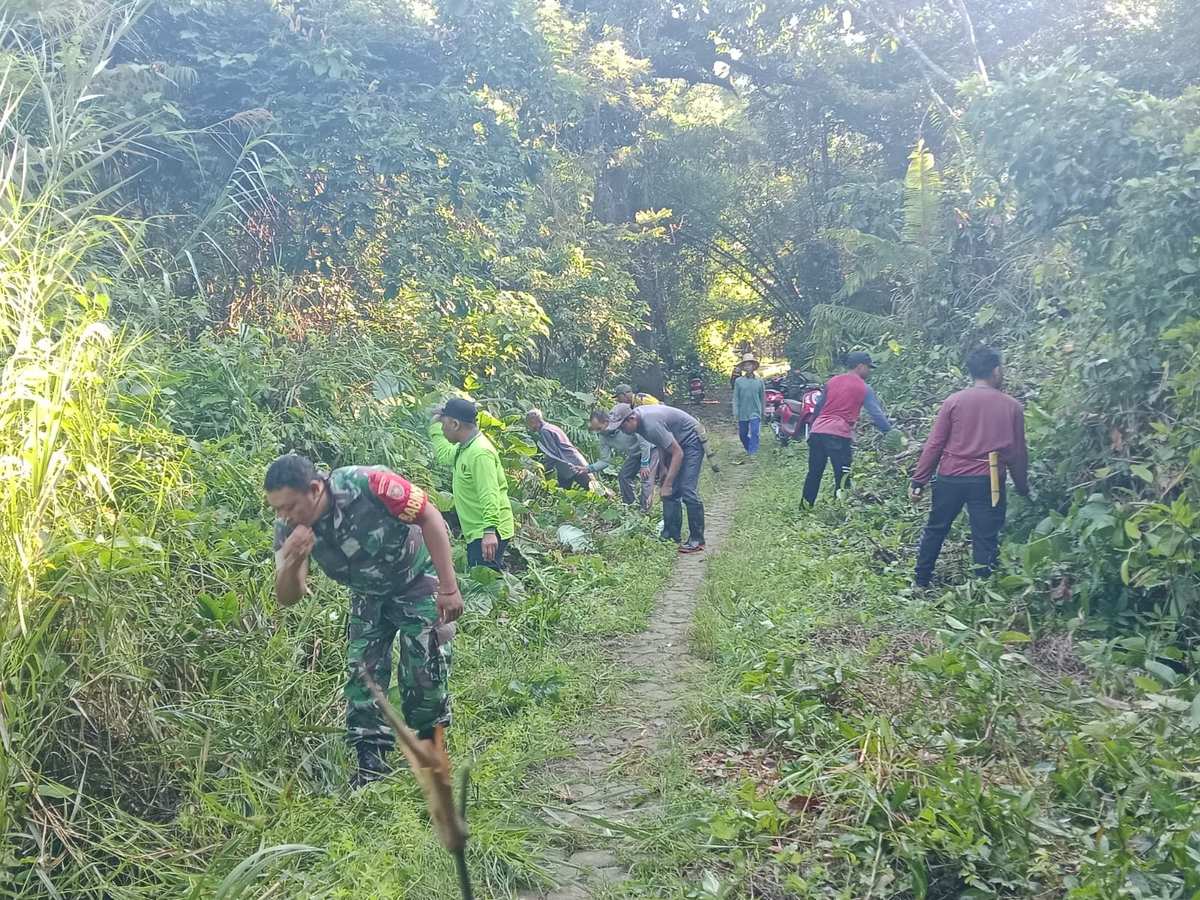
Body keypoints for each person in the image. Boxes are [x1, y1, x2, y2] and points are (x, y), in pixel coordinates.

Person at [265, 454, 463, 788]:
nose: (284, 515)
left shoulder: (370, 484)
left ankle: (431, 746)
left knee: (423, 662)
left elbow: (429, 515)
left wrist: (448, 586)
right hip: (367, 593)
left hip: (416, 578)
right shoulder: (289, 529)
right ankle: (370, 761)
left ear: (315, 489)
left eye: (290, 506)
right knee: (363, 671)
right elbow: (289, 597)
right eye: (277, 509)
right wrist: (291, 561)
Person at [910, 347, 1030, 588]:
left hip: (949, 477)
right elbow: (1018, 454)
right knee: (985, 537)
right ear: (996, 371)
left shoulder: (953, 401)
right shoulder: (1012, 406)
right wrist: (1022, 486)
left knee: (936, 528)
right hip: (989, 480)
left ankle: (920, 582)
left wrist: (919, 480)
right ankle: (982, 590)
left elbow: (935, 444)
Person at [428, 397, 515, 571]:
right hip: (478, 530)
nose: (442, 428)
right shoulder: (464, 447)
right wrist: (434, 427)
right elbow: (445, 454)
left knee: (485, 588)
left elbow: (489, 493)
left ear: (454, 424)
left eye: (443, 424)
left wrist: (489, 531)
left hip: (488, 531)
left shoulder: (480, 453)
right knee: (484, 581)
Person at [608, 402, 706, 553]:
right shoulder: (640, 424)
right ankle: (671, 534)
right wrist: (663, 467)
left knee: (686, 488)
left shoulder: (650, 423)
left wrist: (668, 483)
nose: (622, 430)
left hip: (691, 440)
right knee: (669, 490)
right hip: (676, 442)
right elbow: (661, 441)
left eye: (622, 426)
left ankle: (697, 539)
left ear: (631, 418)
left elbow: (677, 453)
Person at [801, 351, 893, 506]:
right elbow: (876, 413)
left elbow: (818, 408)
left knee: (814, 473)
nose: (869, 371)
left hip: (818, 431)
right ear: (860, 366)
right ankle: (840, 509)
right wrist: (890, 432)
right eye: (868, 368)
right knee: (842, 474)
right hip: (838, 433)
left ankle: (805, 507)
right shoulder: (864, 388)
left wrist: (812, 429)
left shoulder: (832, 382)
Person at [581, 408, 658, 512]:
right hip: (635, 454)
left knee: (646, 478)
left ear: (606, 422)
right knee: (623, 476)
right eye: (595, 430)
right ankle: (630, 507)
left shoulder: (622, 424)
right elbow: (605, 461)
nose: (598, 432)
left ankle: (645, 511)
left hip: (652, 449)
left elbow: (644, 443)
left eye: (599, 428)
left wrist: (644, 465)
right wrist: (588, 469)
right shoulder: (604, 438)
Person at [525, 408, 593, 490]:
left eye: (529, 423)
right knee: (563, 490)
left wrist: (544, 469)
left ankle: (611, 499)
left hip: (570, 464)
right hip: (573, 461)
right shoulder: (552, 427)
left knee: (593, 488)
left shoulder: (544, 431)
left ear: (534, 421)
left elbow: (552, 454)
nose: (529, 427)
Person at [732, 353, 766, 457]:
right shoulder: (738, 381)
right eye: (745, 365)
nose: (748, 367)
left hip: (755, 411)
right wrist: (735, 411)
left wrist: (763, 411)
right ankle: (749, 448)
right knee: (743, 435)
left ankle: (753, 452)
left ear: (753, 366)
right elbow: (736, 397)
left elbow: (762, 397)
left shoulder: (759, 381)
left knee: (755, 432)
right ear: (743, 367)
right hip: (743, 412)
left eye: (749, 365)